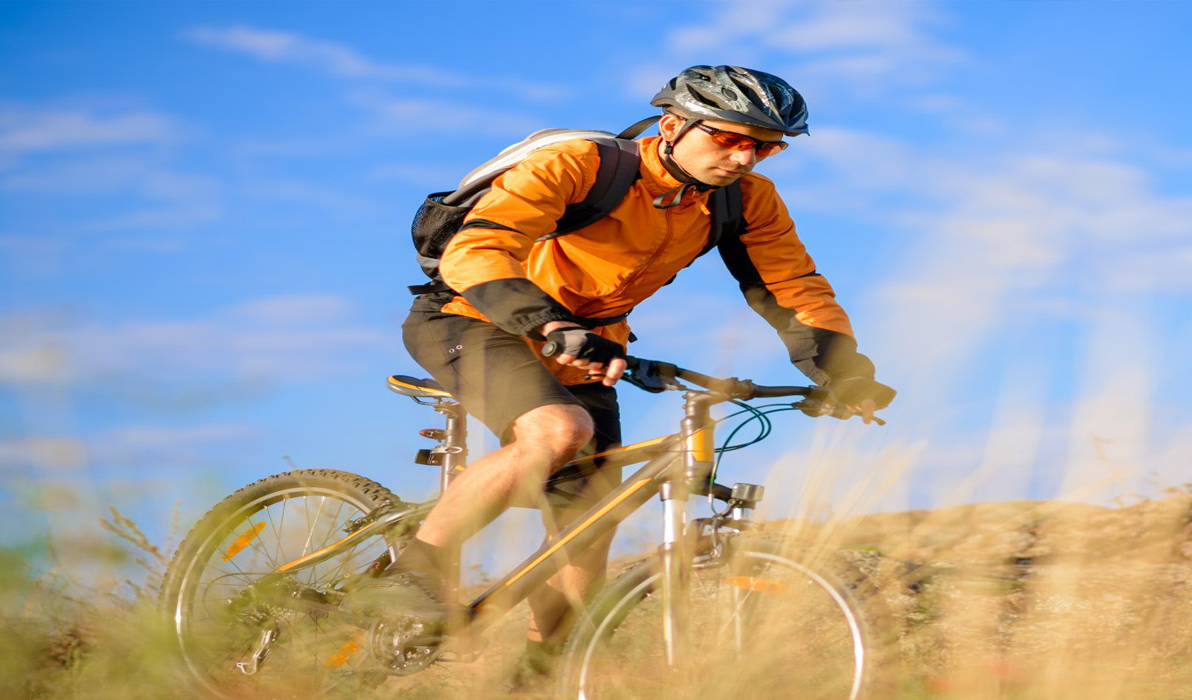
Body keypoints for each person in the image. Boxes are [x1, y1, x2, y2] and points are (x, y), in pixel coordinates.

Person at [370, 65, 895, 686]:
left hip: (589, 342)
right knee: (557, 430)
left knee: (590, 520)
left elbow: (792, 286)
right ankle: (413, 576)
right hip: (475, 314)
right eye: (728, 137)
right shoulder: (582, 166)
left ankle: (540, 679)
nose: (744, 157)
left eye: (763, 146)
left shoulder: (744, 201)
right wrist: (544, 323)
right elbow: (477, 248)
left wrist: (842, 371)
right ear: (673, 125)